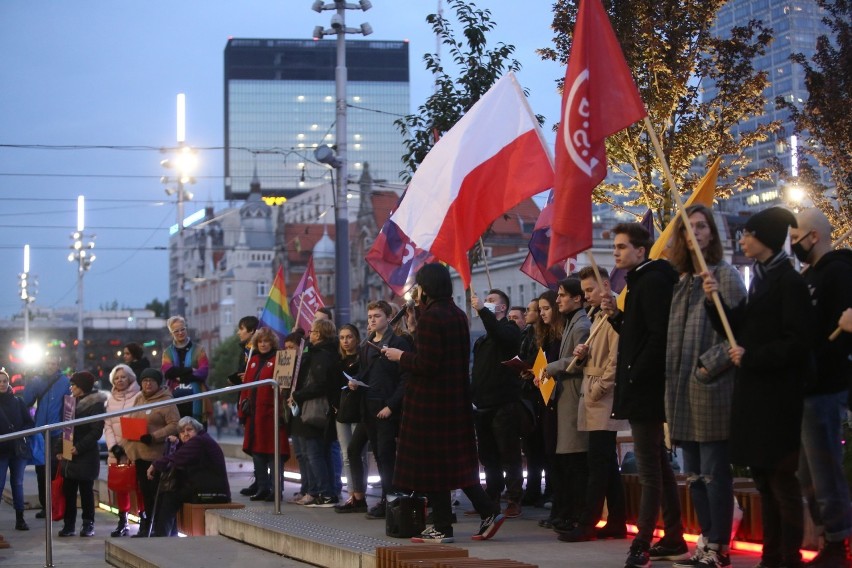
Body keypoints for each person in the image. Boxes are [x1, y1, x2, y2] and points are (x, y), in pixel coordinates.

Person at [702, 206, 813, 568]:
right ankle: (772, 553)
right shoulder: (762, 278)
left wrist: (752, 357)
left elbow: (796, 343)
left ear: (764, 239)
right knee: (764, 480)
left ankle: (788, 555)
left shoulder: (789, 282)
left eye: (748, 234)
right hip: (755, 395)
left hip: (778, 398)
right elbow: (739, 329)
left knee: (781, 481)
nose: (742, 240)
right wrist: (713, 300)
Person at [384, 263, 505, 544]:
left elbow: (427, 363)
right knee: (451, 464)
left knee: (432, 464)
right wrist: (416, 332)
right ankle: (475, 515)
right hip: (454, 399)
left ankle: (444, 525)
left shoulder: (431, 317)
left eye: (419, 286)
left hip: (430, 402)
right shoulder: (457, 314)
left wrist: (399, 356)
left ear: (426, 287)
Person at [663, 205, 747, 566]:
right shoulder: (682, 283)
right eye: (688, 228)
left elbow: (738, 334)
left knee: (714, 474)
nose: (694, 233)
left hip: (712, 390)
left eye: (701, 226)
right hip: (681, 393)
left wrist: (704, 367)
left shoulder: (724, 275)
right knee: (694, 476)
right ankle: (705, 539)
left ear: (711, 233)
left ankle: (719, 545)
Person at [601, 222, 685, 567]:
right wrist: (617, 318)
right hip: (643, 386)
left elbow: (657, 336)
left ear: (640, 250)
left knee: (649, 469)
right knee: (659, 467)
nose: (617, 253)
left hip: (646, 389)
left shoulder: (650, 281)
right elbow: (640, 337)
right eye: (616, 247)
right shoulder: (641, 282)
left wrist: (636, 374)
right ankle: (675, 535)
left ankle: (642, 542)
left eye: (622, 247)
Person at [791, 208, 852, 566]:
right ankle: (829, 536)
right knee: (808, 474)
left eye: (796, 234)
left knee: (824, 470)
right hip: (807, 388)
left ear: (813, 236)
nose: (793, 242)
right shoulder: (809, 275)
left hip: (825, 388)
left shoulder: (839, 273)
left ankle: (837, 541)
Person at [558, 266, 630, 543]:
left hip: (602, 394)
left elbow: (617, 356)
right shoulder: (596, 314)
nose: (586, 295)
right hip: (593, 392)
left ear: (604, 285)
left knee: (598, 462)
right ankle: (617, 520)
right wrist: (584, 353)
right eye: (585, 291)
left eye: (589, 290)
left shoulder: (612, 314)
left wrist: (600, 387)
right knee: (606, 463)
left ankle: (588, 522)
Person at [338, 301, 410, 518]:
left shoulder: (398, 343)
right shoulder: (367, 344)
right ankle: (383, 498)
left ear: (389, 318)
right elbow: (367, 372)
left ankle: (390, 500)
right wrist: (356, 381)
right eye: (370, 316)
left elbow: (406, 378)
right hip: (368, 405)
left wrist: (391, 405)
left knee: (386, 455)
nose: (372, 320)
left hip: (386, 406)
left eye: (377, 316)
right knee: (374, 454)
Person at [470, 288, 524, 518]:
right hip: (483, 405)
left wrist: (483, 310)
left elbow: (499, 333)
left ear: (502, 308)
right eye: (486, 300)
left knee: (509, 454)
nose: (486, 302)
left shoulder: (510, 331)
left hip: (504, 404)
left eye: (492, 301)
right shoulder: (482, 340)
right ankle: (491, 497)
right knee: (488, 456)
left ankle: (514, 498)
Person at [544, 278, 591, 536]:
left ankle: (576, 515)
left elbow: (577, 360)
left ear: (577, 298)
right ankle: (569, 513)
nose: (558, 299)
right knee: (568, 460)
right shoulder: (572, 322)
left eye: (562, 295)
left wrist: (550, 368)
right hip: (565, 396)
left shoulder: (582, 324)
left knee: (575, 461)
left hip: (573, 396)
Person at [146, 417, 231, 537]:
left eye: (189, 430)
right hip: (210, 487)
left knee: (171, 495)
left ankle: (162, 535)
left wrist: (155, 465)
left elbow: (178, 458)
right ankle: (167, 533)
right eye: (182, 432)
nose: (185, 434)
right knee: (173, 491)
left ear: (196, 430)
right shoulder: (201, 439)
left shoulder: (198, 441)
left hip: (212, 491)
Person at [288, 318, 339, 507]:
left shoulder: (323, 355)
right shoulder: (315, 352)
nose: (311, 335)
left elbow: (319, 384)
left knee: (314, 453)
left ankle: (324, 492)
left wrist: (298, 395)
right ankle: (317, 490)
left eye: (314, 332)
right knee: (310, 453)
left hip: (314, 409)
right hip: (308, 407)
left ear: (321, 334)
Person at [123, 368, 180, 537]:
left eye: (151, 381)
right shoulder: (139, 398)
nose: (147, 384)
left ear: (158, 383)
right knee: (145, 493)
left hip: (155, 456)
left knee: (156, 493)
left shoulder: (166, 401)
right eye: (145, 380)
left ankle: (158, 526)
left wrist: (154, 436)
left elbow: (175, 424)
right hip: (138, 454)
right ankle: (146, 525)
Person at [237, 327, 290, 502]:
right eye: (260, 341)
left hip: (272, 415)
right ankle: (262, 487)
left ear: (272, 342)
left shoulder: (280, 359)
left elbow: (284, 388)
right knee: (258, 453)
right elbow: (245, 389)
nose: (263, 344)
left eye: (266, 341)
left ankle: (276, 490)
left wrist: (282, 412)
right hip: (254, 416)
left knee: (274, 454)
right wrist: (242, 412)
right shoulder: (253, 361)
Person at [58, 372, 106, 538]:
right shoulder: (70, 402)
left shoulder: (96, 405)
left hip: (85, 455)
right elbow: (65, 427)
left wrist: (79, 447)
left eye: (74, 385)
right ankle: (69, 524)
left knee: (86, 492)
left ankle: (88, 524)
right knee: (69, 492)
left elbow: (96, 431)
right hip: (69, 455)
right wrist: (60, 449)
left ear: (83, 387)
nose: (71, 387)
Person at [22, 353, 70, 519]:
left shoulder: (66, 382)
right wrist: (29, 382)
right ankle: (45, 505)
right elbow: (26, 401)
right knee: (41, 471)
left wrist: (67, 432)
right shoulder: (37, 381)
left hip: (58, 432)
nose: (50, 366)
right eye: (48, 363)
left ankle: (58, 505)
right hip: (40, 433)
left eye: (54, 363)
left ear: (58, 365)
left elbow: (70, 407)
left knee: (57, 471)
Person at [103, 364, 143, 537]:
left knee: (139, 486)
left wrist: (127, 447)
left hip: (135, 449)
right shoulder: (110, 400)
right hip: (116, 451)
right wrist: (114, 447)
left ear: (130, 378)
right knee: (121, 487)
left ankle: (144, 518)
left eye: (123, 377)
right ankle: (123, 521)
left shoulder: (140, 396)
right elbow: (108, 425)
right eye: (116, 378)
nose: (120, 380)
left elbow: (139, 422)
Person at [333, 323, 367, 513]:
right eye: (342, 337)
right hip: (342, 412)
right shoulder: (338, 361)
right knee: (346, 454)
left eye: (349, 337)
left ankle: (360, 494)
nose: (345, 341)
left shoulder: (363, 358)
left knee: (358, 455)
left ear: (356, 338)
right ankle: (351, 494)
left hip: (359, 411)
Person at [519, 298, 547, 507]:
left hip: (541, 394)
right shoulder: (526, 335)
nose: (527, 313)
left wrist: (533, 371)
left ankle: (548, 490)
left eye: (530, 310)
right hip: (526, 393)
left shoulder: (545, 336)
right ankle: (532, 489)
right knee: (530, 447)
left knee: (543, 446)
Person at [0, 367, 35, 531]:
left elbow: (30, 422)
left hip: (17, 449)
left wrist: (20, 433)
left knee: (18, 483)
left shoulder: (18, 401)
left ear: (9, 383)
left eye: (5, 381)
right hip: (1, 450)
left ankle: (20, 519)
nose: (2, 384)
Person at [230, 315, 259, 497]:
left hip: (256, 402)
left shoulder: (257, 351)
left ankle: (265, 482)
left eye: (242, 329)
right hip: (245, 400)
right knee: (252, 444)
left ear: (251, 331)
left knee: (259, 444)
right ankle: (258, 480)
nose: (239, 332)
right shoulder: (245, 351)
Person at [161, 315, 209, 422]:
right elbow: (168, 372)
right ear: (171, 333)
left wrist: (179, 377)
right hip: (175, 397)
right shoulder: (167, 352)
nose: (180, 333)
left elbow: (203, 372)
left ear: (186, 329)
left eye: (182, 329)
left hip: (197, 398)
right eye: (176, 331)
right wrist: (191, 370)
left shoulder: (199, 349)